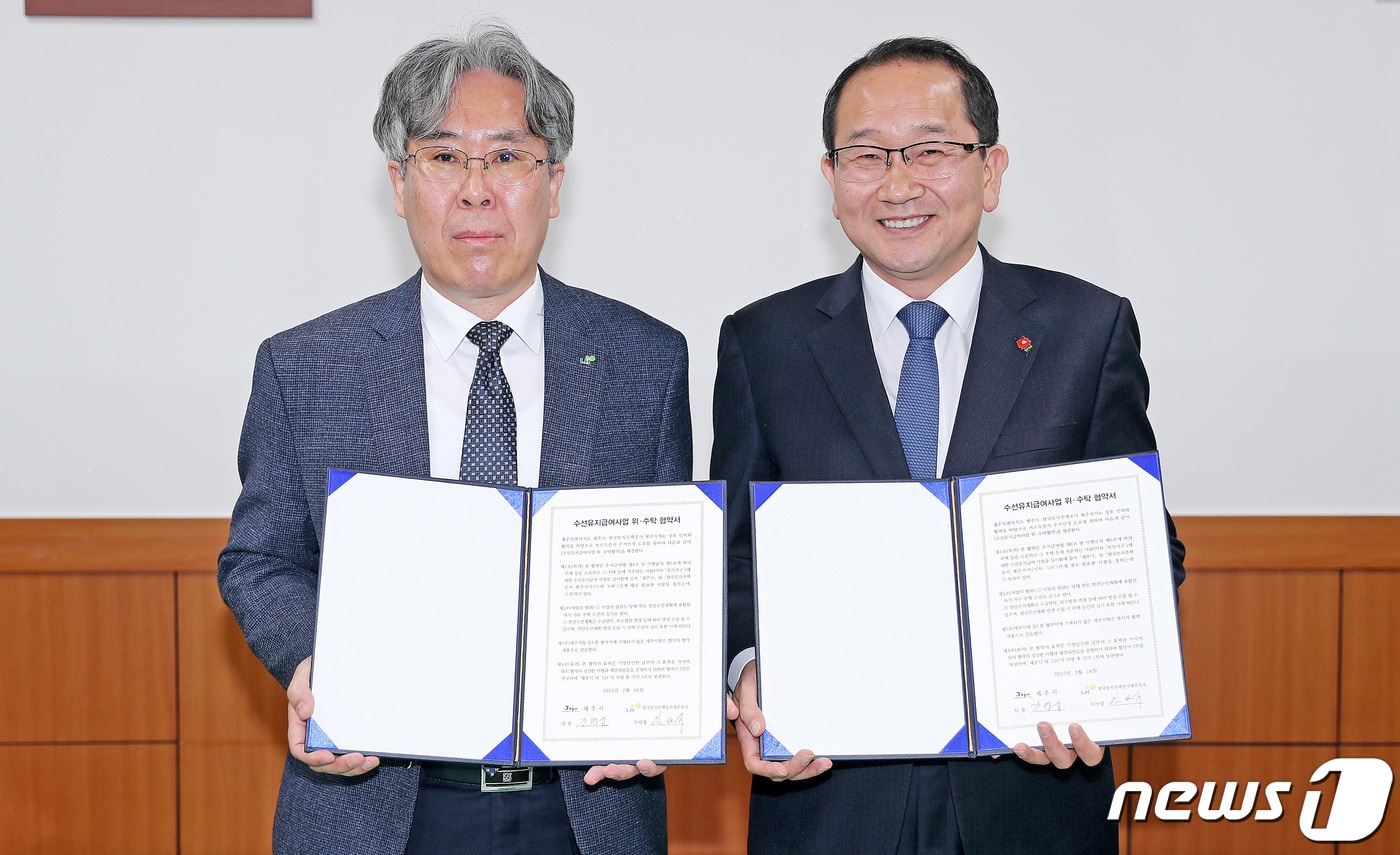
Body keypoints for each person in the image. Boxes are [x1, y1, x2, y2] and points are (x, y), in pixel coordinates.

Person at [218, 22, 689, 855]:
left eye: (508, 157)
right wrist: (308, 664)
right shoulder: (305, 365)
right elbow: (260, 557)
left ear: (553, 183)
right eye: (444, 157)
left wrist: (661, 690)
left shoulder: (645, 359)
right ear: (399, 183)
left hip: (585, 810)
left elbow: (669, 566)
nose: (477, 191)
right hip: (375, 808)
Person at [711, 37, 1186, 854]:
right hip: (829, 804)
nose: (898, 183)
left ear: (992, 169)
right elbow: (734, 556)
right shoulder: (764, 341)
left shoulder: (1087, 329)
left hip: (1030, 797)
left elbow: (1144, 549)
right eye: (867, 156)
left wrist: (1101, 681)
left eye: (932, 150)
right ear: (831, 181)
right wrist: (751, 667)